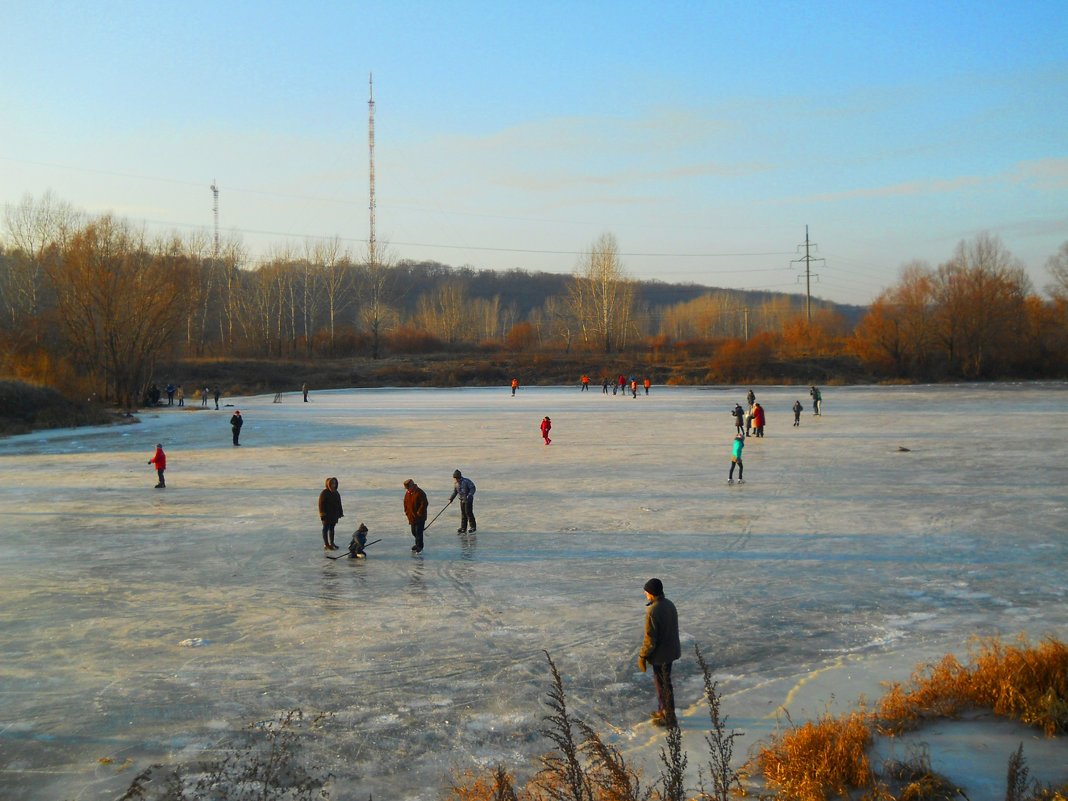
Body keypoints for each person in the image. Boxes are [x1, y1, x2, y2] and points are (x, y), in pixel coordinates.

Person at [638, 577, 681, 728]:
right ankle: (664, 712)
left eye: (646, 591)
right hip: (670, 652)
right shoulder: (669, 604)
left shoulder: (653, 611)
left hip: (660, 655)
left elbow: (650, 640)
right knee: (665, 683)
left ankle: (668, 717)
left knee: (662, 686)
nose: (645, 593)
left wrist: (642, 656)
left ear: (652, 593)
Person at [403, 479, 429, 553]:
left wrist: (419, 512)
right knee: (413, 531)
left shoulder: (419, 492)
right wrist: (406, 511)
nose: (407, 489)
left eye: (408, 488)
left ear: (412, 486)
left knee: (418, 531)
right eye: (406, 488)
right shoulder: (408, 493)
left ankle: (420, 546)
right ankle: (417, 543)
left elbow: (424, 503)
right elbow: (405, 502)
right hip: (411, 516)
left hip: (420, 517)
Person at [318, 477, 344, 550]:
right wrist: (322, 514)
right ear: (328, 484)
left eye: (335, 483)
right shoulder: (324, 493)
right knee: (325, 529)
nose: (333, 485)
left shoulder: (336, 493)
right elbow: (321, 504)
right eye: (332, 483)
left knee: (332, 529)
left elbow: (339, 503)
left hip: (334, 515)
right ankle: (326, 544)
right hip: (326, 515)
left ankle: (332, 543)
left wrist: (340, 512)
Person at [449, 469, 477, 533]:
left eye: (456, 478)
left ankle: (473, 527)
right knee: (463, 514)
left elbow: (473, 488)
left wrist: (470, 494)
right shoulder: (456, 484)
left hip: (468, 500)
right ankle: (463, 528)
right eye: (454, 478)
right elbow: (455, 492)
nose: (455, 479)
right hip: (462, 500)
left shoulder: (466, 481)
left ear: (459, 477)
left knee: (468, 513)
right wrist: (451, 498)